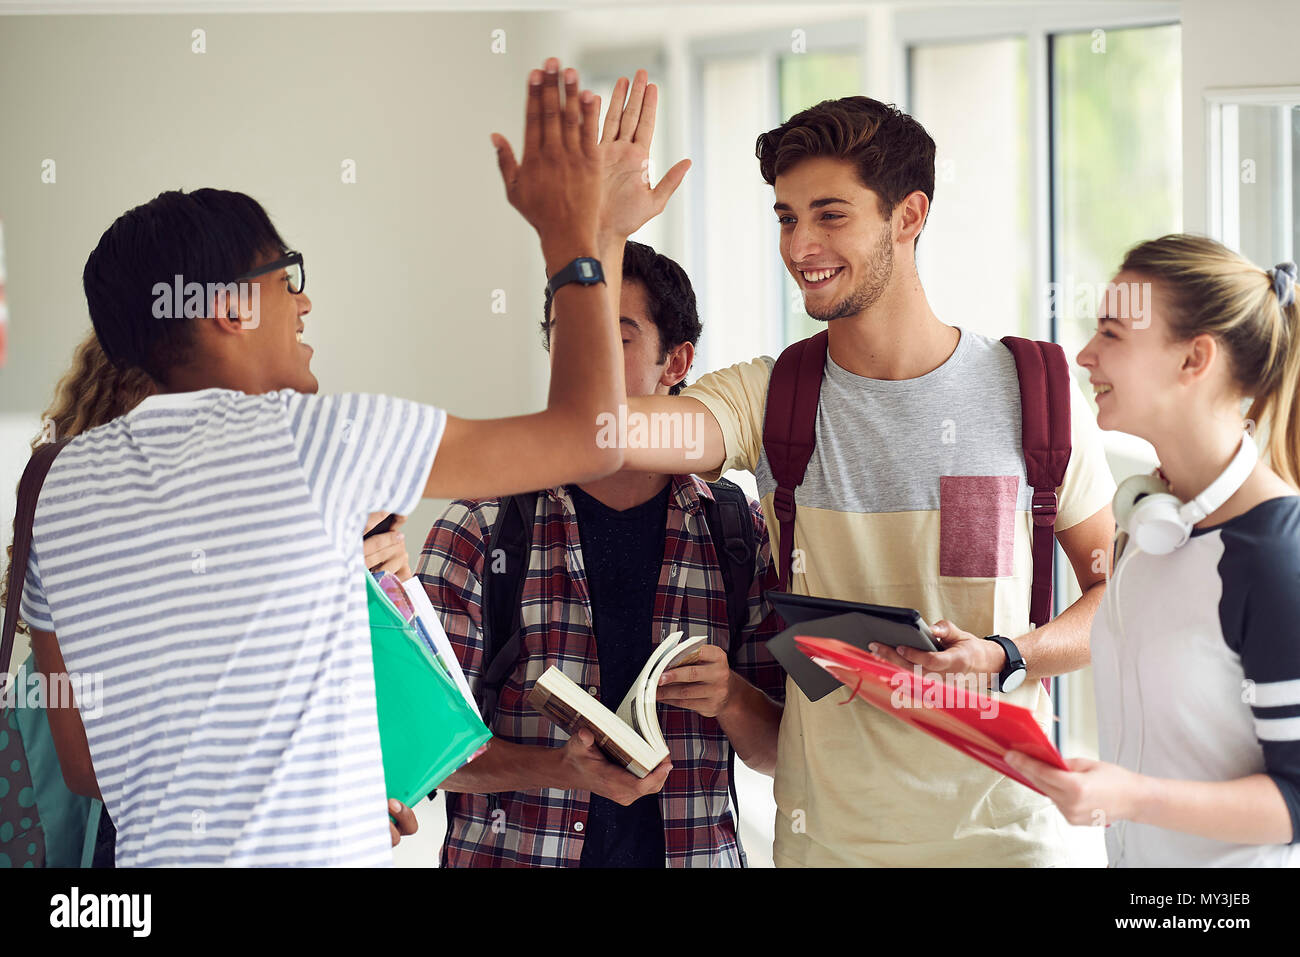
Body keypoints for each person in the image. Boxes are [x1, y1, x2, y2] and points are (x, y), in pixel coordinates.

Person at [14, 58, 683, 866]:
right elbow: (592, 437)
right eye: (285, 277)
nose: (303, 302)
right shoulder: (313, 439)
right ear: (225, 307)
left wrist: (326, 775)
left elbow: (87, 763)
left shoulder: (60, 488)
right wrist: (578, 239)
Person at [613, 95, 1117, 866]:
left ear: (908, 215)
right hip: (830, 842)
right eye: (785, 218)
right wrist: (598, 243)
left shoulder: (1035, 392)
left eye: (830, 215)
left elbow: (1113, 598)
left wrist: (1006, 653)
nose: (800, 245)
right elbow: (614, 435)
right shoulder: (769, 396)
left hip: (1006, 837)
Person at [416, 234, 786, 867]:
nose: (583, 359)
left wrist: (727, 697)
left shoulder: (735, 529)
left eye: (616, 337)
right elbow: (420, 748)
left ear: (677, 363)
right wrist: (561, 769)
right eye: (566, 334)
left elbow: (781, 751)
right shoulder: (481, 526)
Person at [1007, 235, 1300, 866]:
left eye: (1112, 333)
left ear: (1194, 359)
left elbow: (1296, 799)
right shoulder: (1149, 519)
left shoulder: (1273, 556)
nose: (1084, 355)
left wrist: (1134, 797)